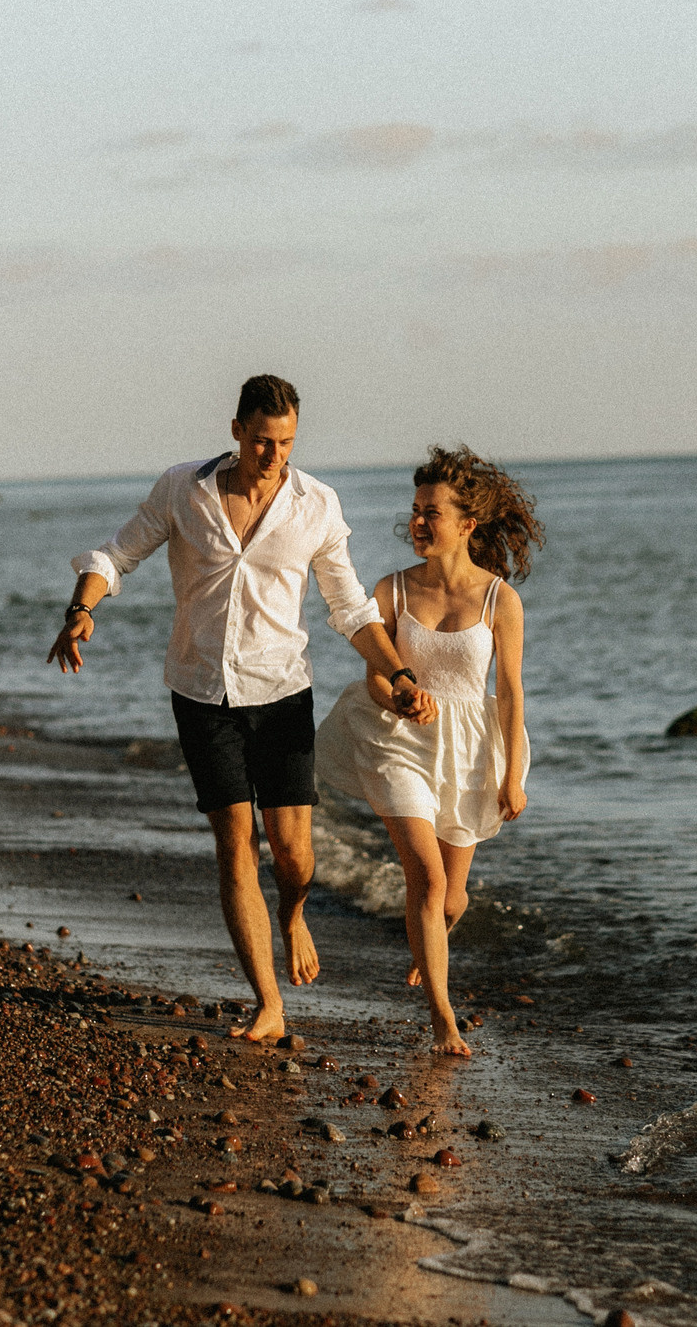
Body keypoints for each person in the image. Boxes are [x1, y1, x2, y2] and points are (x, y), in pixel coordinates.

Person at [49, 374, 431, 1044]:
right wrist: (83, 608)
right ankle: (269, 1000)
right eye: (262, 440)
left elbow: (352, 611)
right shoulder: (182, 488)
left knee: (294, 854)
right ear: (236, 430)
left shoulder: (315, 504)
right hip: (201, 691)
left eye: (284, 441)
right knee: (235, 844)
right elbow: (116, 554)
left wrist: (397, 671)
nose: (272, 454)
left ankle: (293, 912)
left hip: (283, 690)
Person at [315, 445, 538, 1055]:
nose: (417, 522)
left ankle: (429, 947)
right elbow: (375, 675)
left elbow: (511, 692)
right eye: (414, 510)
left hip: (469, 748)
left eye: (431, 512)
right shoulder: (393, 591)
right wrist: (399, 702)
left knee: (454, 897)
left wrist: (513, 774)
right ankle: (443, 1013)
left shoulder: (500, 601)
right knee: (427, 878)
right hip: (398, 740)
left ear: (466, 524)